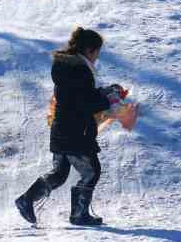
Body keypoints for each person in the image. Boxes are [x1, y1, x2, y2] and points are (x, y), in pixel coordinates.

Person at [15, 27, 127, 227]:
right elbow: (86, 102)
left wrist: (104, 92)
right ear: (89, 50)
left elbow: (79, 96)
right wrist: (108, 98)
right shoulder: (80, 71)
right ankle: (79, 214)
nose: (97, 57)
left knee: (59, 174)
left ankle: (27, 199)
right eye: (97, 53)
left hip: (61, 130)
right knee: (91, 171)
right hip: (77, 132)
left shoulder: (67, 68)